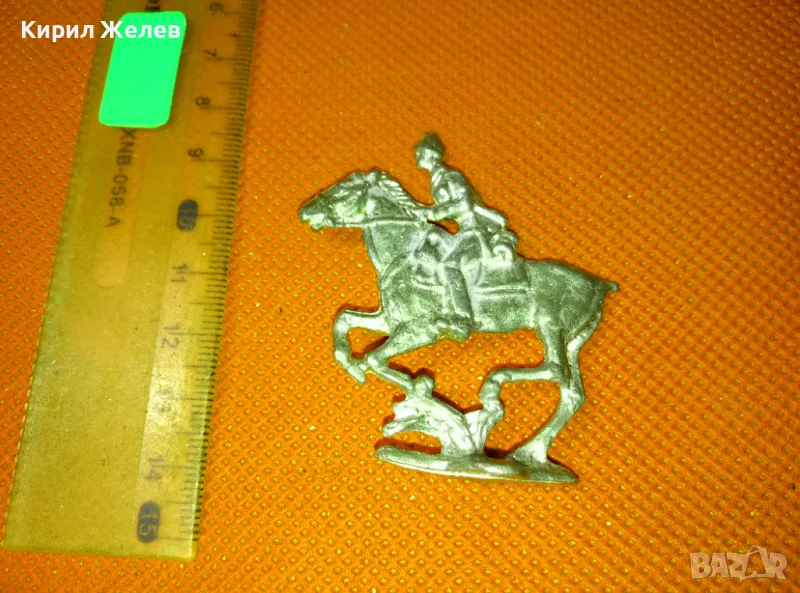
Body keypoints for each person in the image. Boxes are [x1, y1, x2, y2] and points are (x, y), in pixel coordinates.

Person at [411, 133, 519, 340]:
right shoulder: (438, 179)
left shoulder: (450, 176)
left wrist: (432, 213)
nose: (417, 156)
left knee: (448, 265)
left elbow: (464, 204)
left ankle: (463, 318)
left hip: (475, 230)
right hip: (463, 232)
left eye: (420, 152)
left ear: (431, 154)